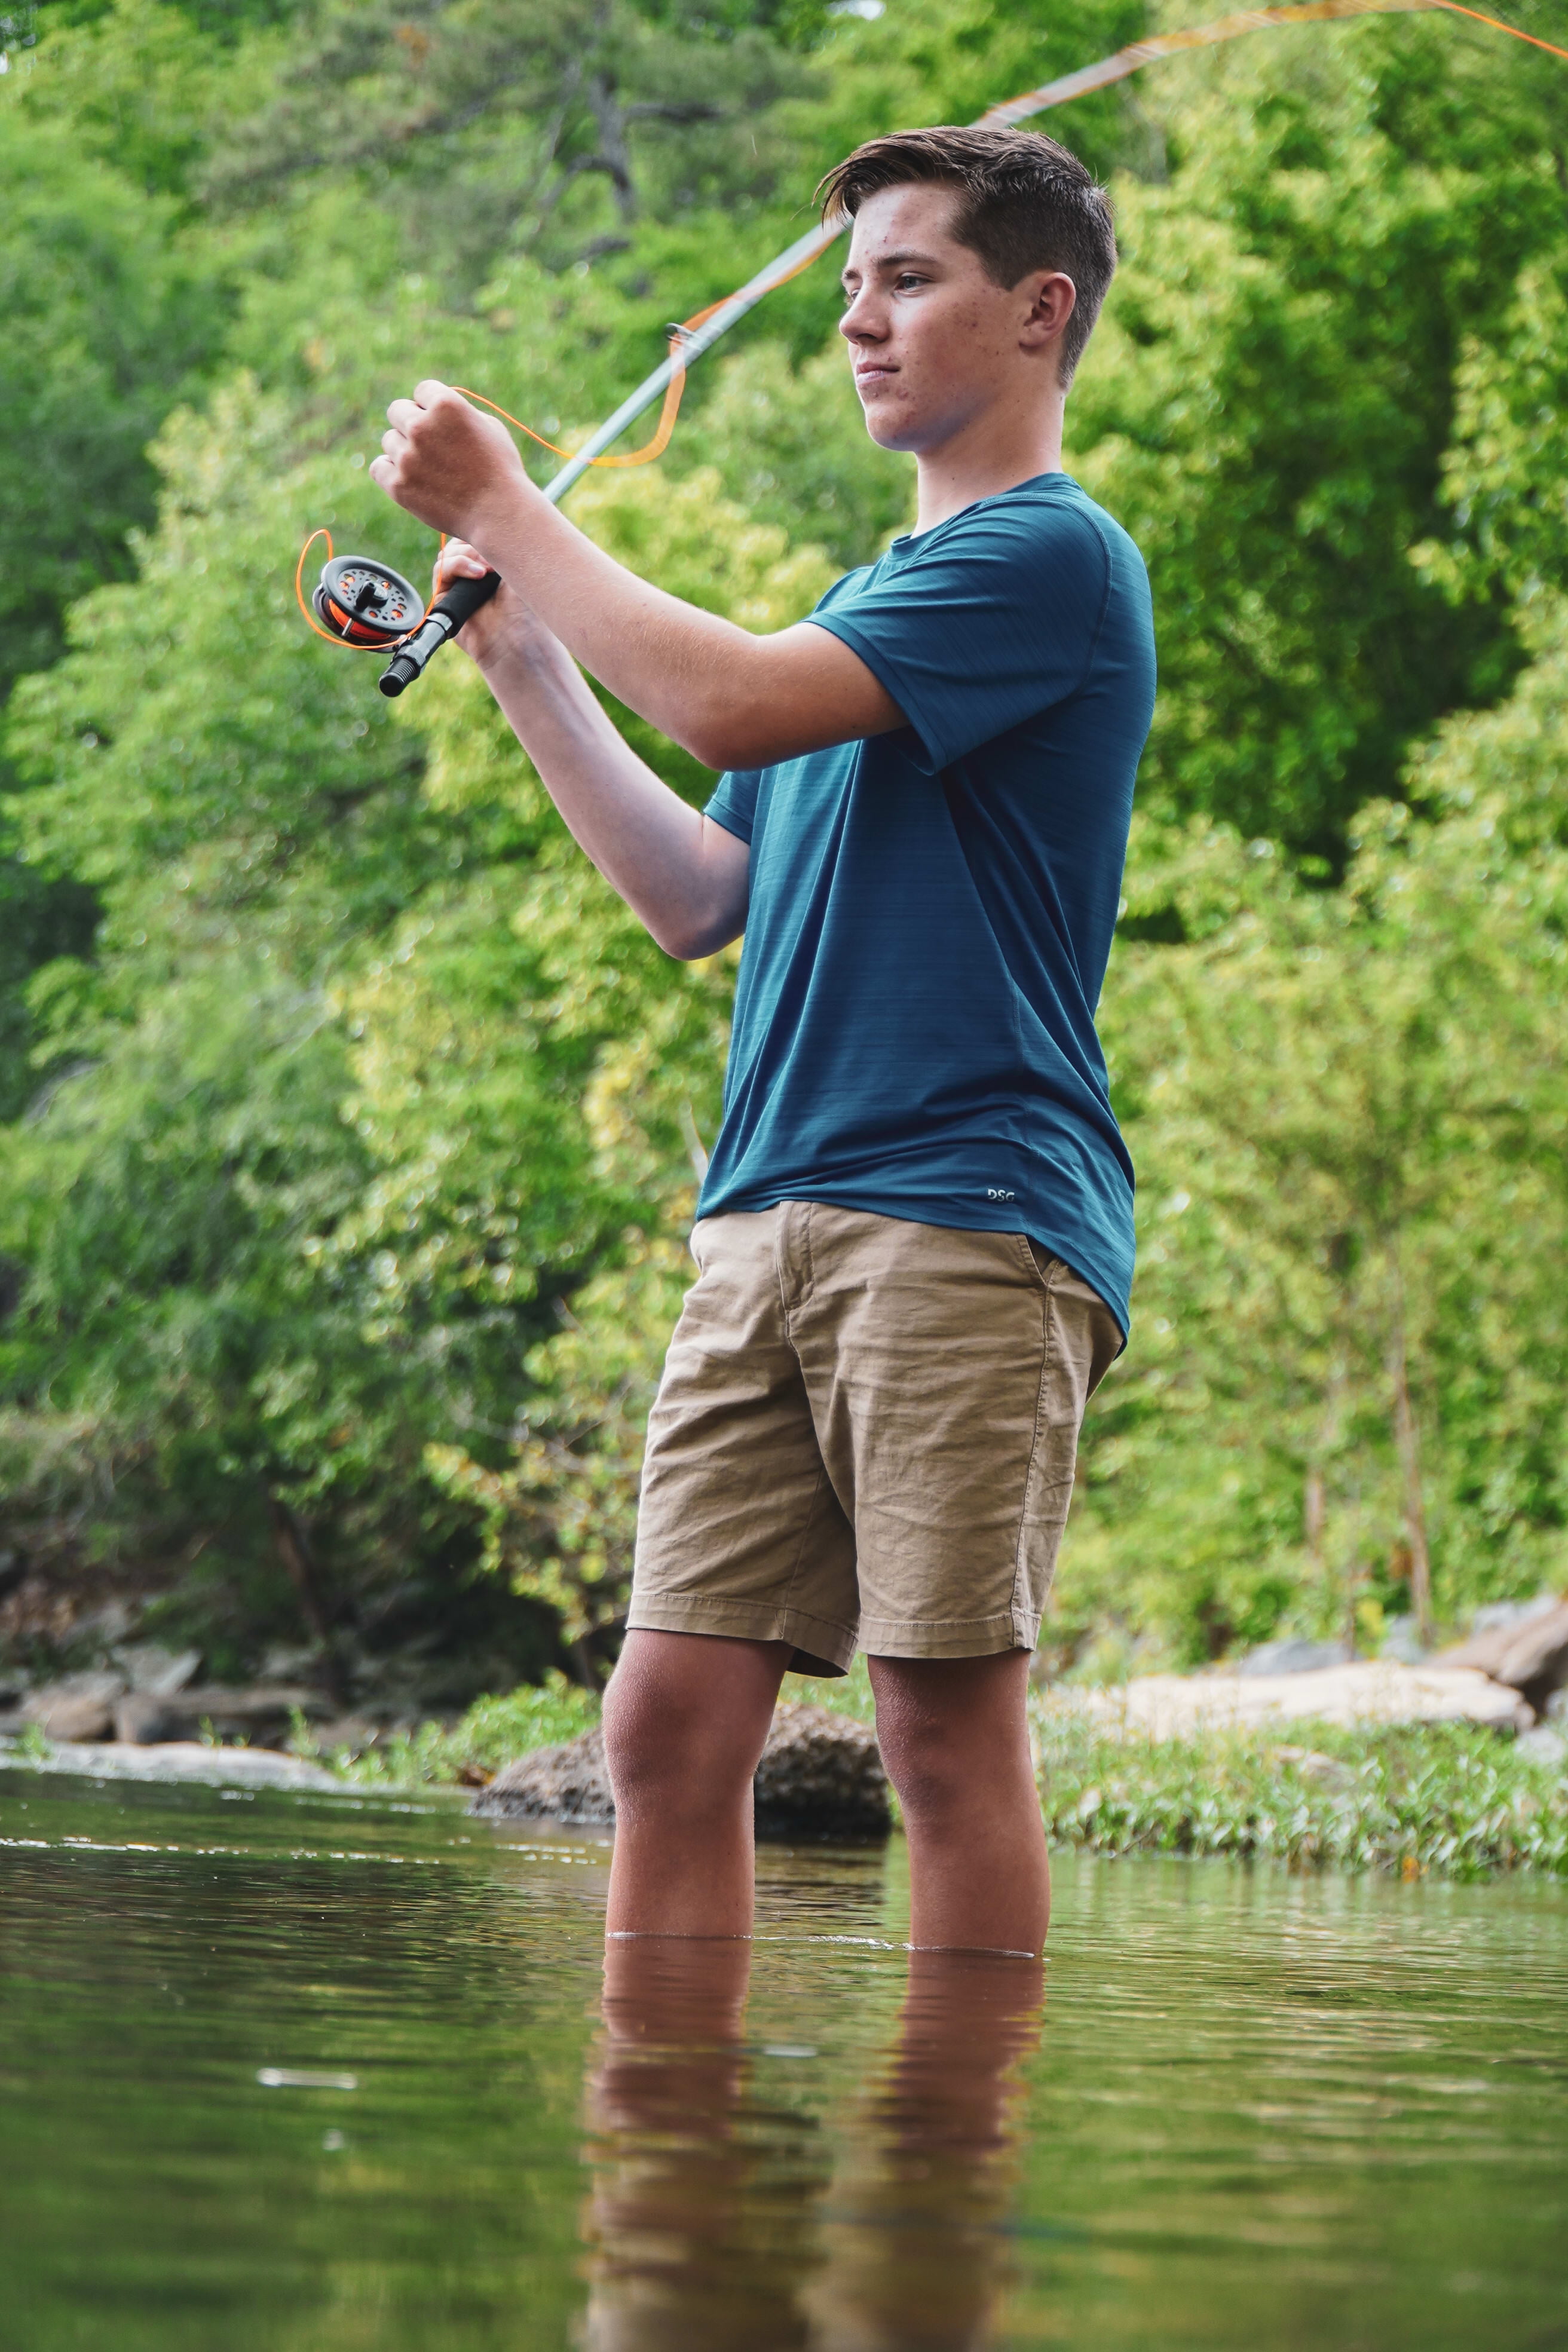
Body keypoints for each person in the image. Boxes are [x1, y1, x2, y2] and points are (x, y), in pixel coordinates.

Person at [370, 124, 1156, 1959]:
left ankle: (946, 2142)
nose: (859, 323)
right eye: (850, 287)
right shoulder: (868, 605)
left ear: (1040, 311)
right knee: (664, 1726)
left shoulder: (1053, 557)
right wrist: (524, 661)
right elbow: (697, 895)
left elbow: (725, 699)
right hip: (764, 1215)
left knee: (938, 1732)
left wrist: (510, 510)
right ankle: (672, 2140)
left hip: (965, 1209)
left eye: (909, 280)